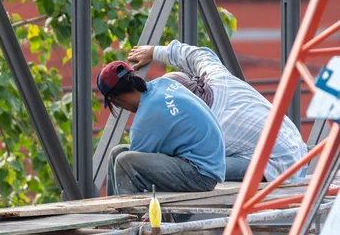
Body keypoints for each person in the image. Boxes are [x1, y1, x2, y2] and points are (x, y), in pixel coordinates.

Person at [127, 40, 308, 183]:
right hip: (296, 146)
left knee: (193, 168)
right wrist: (155, 51)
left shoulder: (206, 127)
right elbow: (198, 54)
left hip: (281, 166)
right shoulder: (217, 76)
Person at [96, 60, 226, 197]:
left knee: (124, 161)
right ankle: (114, 208)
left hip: (201, 175)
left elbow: (133, 168)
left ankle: (130, 214)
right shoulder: (163, 84)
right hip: (208, 163)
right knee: (117, 152)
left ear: (117, 99)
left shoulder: (147, 116)